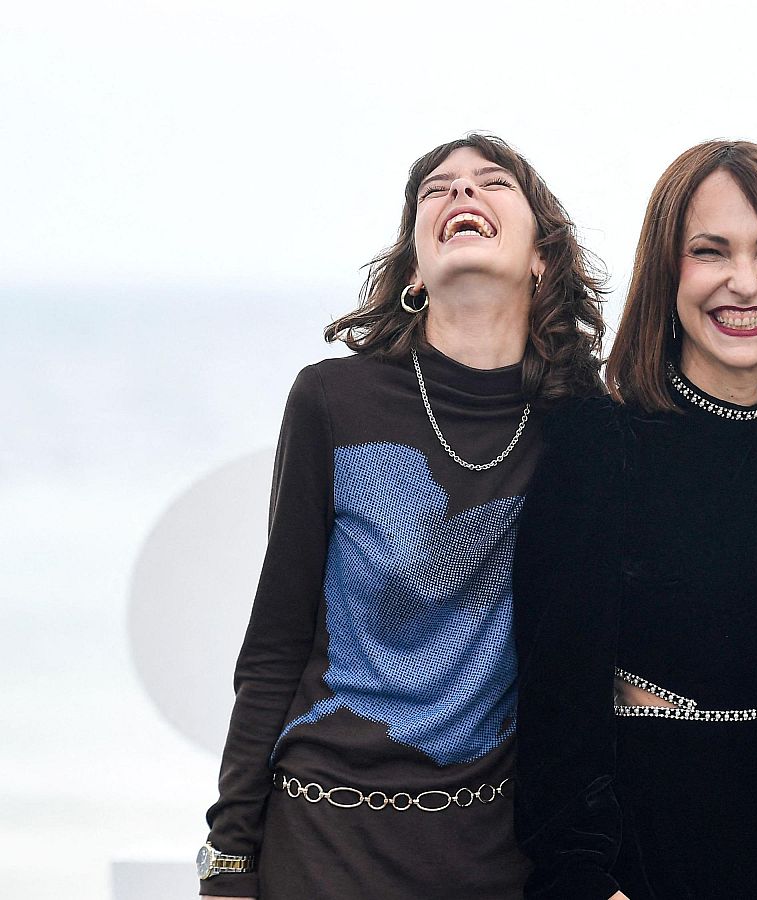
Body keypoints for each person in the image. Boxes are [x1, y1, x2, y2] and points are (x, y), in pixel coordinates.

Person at [198, 133, 606, 899]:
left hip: (498, 851)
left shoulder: (585, 426)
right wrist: (228, 858)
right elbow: (276, 644)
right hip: (320, 841)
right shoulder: (332, 400)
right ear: (416, 269)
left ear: (542, 257)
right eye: (436, 189)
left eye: (492, 182)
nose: (461, 193)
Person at [512, 140, 757, 900]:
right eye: (710, 252)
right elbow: (556, 703)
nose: (744, 282)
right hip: (656, 847)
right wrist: (583, 879)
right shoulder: (599, 442)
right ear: (666, 273)